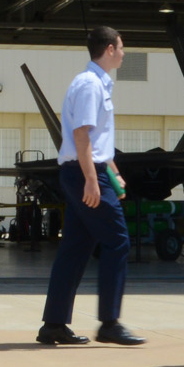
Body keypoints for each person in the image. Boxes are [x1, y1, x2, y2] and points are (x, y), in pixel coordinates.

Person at [38, 26, 145, 348]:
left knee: (75, 248)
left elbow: (96, 140)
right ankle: (110, 322)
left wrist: (112, 171)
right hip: (84, 174)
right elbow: (81, 135)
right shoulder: (89, 85)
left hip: (91, 171)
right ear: (110, 49)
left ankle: (54, 325)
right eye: (122, 47)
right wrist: (91, 180)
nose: (124, 53)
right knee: (118, 242)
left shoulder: (99, 83)